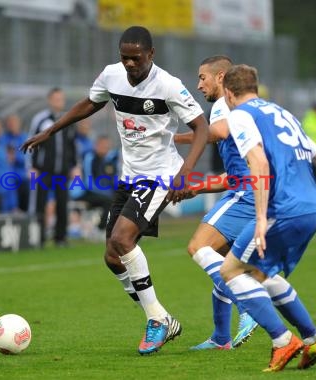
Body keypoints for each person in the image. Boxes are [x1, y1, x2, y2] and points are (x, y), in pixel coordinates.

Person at [21, 26, 208, 355]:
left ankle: (156, 322)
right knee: (112, 255)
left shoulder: (168, 86)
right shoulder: (111, 75)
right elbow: (89, 104)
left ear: (151, 54)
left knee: (122, 239)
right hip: (130, 176)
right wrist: (50, 130)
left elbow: (201, 127)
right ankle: (162, 316)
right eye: (125, 58)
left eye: (136, 58)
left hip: (160, 175)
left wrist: (185, 172)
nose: (130, 64)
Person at [217, 64, 316, 372]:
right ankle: (312, 338)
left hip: (283, 209)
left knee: (230, 270)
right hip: (312, 209)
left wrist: (260, 218)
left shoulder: (240, 115)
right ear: (256, 89)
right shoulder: (283, 114)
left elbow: (257, 161)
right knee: (262, 275)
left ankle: (282, 340)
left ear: (229, 94)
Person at [175, 55, 258, 350]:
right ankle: (221, 337)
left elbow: (215, 134)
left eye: (202, 78)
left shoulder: (224, 104)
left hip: (245, 194)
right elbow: (233, 173)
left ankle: (248, 306)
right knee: (220, 262)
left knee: (199, 247)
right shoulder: (240, 108)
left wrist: (175, 138)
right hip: (249, 190)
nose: (198, 85)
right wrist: (198, 188)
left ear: (221, 77)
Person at [27, 88, 77, 247]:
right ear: (49, 100)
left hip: (62, 171)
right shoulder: (40, 120)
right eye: (55, 99)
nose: (58, 102)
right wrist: (32, 166)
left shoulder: (68, 119)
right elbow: (32, 142)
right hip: (43, 171)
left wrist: (75, 166)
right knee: (40, 204)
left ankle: (60, 238)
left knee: (62, 204)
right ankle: (39, 238)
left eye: (61, 99)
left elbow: (72, 145)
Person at [73, 135, 117, 234]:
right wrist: (107, 193)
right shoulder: (89, 158)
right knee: (109, 201)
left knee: (122, 198)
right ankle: (101, 229)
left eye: (107, 146)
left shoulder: (109, 161)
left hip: (102, 193)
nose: (105, 149)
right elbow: (89, 182)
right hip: (85, 192)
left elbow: (113, 182)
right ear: (96, 146)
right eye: (103, 146)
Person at [3, 114, 29, 212]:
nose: (12, 125)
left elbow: (29, 157)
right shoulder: (3, 138)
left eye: (14, 122)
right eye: (10, 123)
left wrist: (16, 157)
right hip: (8, 179)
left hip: (24, 178)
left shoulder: (26, 138)